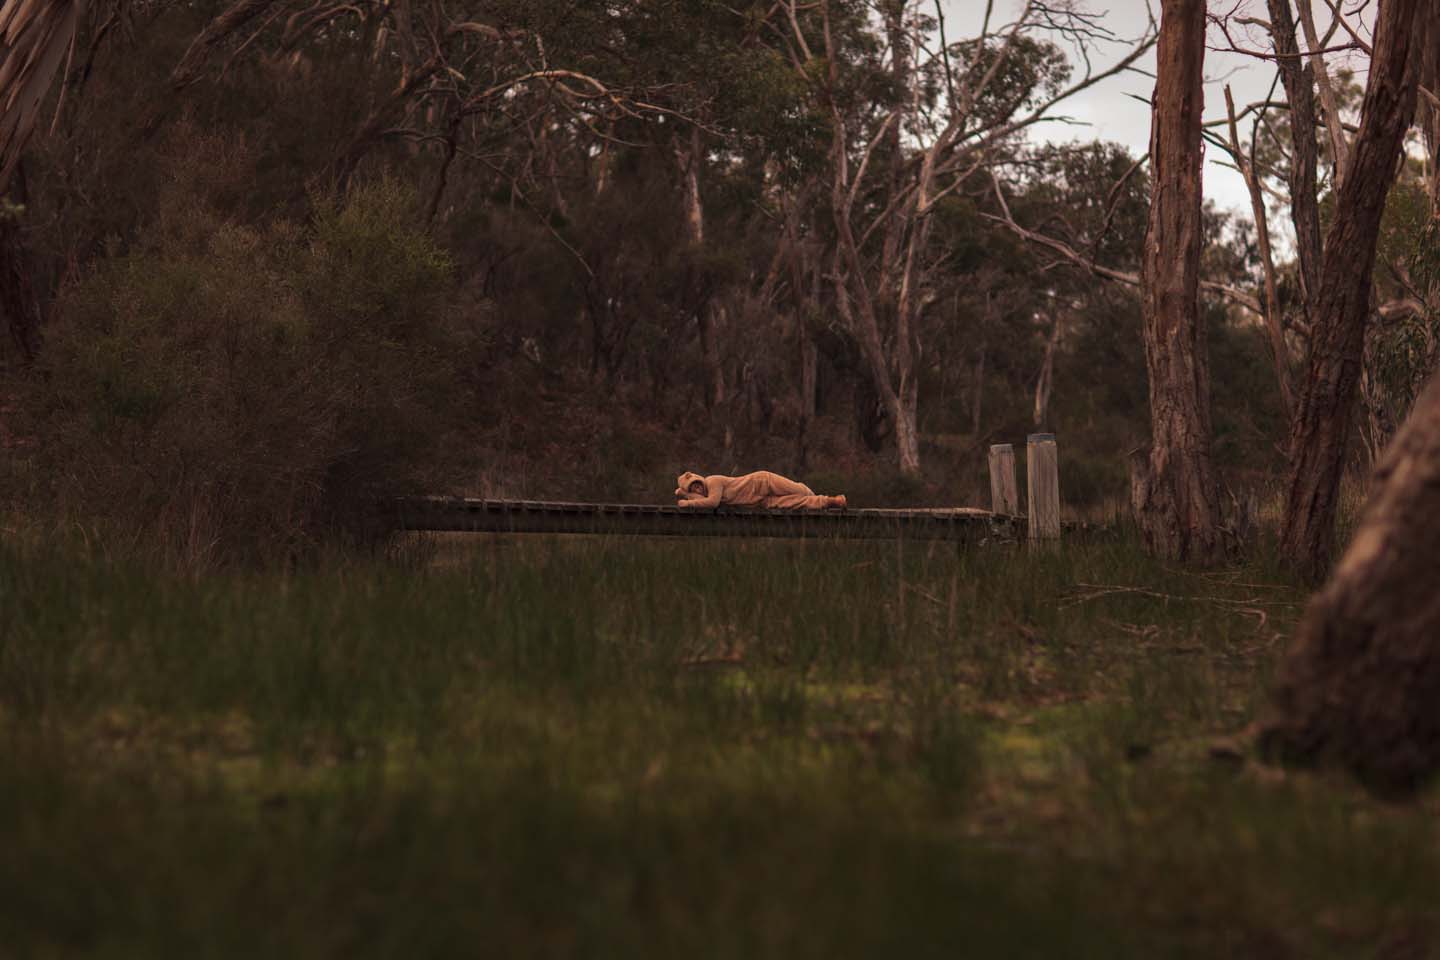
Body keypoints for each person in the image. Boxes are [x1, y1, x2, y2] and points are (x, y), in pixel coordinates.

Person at [674, 470, 846, 510]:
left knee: (801, 492)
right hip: (758, 501)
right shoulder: (701, 495)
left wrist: (686, 502)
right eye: (693, 487)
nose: (697, 487)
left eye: (697, 483)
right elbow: (704, 500)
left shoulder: (713, 482)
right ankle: (833, 501)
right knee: (797, 503)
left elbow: (712, 503)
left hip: (761, 482)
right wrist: (685, 494)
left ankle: (817, 495)